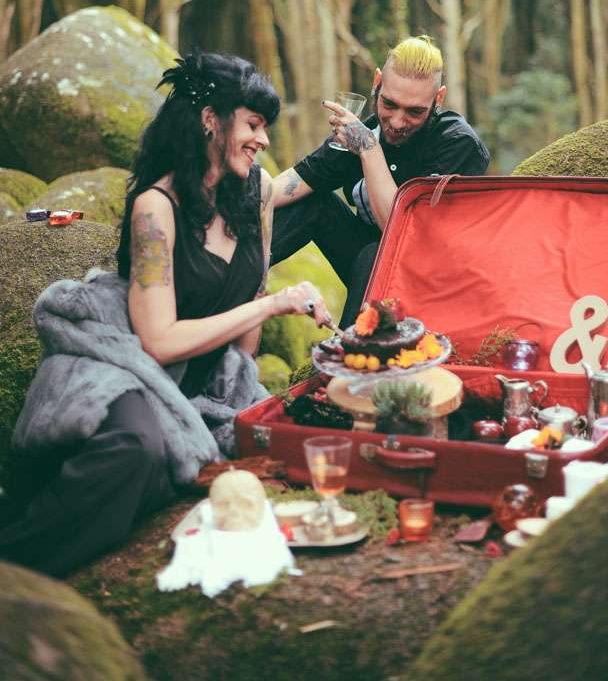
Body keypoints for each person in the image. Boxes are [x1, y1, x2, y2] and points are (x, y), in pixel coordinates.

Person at [0, 51, 329, 577]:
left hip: (196, 377)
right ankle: (20, 565)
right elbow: (158, 341)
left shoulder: (258, 193)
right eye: (252, 124)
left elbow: (247, 325)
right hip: (122, 361)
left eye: (265, 127)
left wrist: (236, 391)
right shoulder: (156, 207)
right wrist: (272, 305)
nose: (264, 139)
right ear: (210, 120)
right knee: (136, 450)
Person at [271, 35, 490, 327]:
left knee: (375, 254)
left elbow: (403, 236)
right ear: (377, 83)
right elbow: (294, 182)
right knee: (312, 202)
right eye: (389, 104)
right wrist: (226, 202)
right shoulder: (368, 130)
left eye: (414, 111)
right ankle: (228, 284)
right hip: (366, 268)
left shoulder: (457, 143)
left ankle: (353, 347)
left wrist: (369, 150)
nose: (397, 122)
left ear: (438, 99)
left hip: (431, 282)